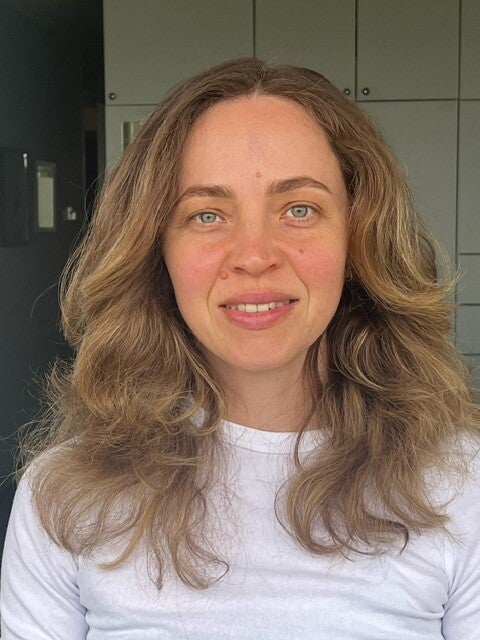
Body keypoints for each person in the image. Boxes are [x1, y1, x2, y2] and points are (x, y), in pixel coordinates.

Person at [1, 58, 479, 640]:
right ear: (156, 252)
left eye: (299, 209)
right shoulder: (63, 492)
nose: (254, 255)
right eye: (207, 215)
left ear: (359, 236)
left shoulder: (462, 482)